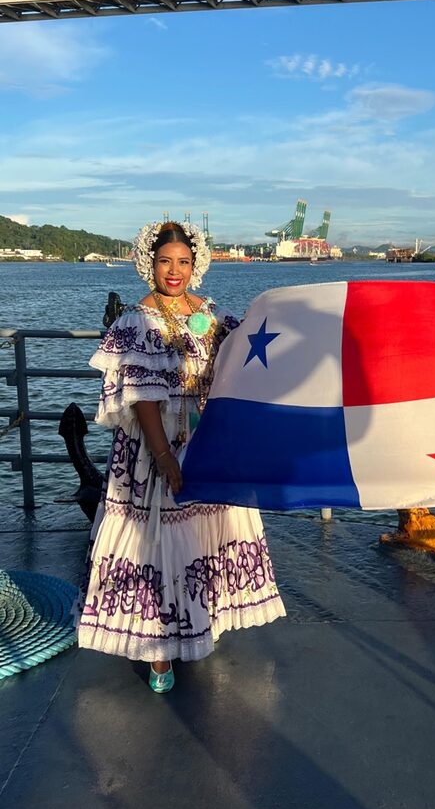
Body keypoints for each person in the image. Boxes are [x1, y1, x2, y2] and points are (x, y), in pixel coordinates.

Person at [75, 220, 286, 692]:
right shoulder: (136, 322)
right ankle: (158, 648)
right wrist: (163, 455)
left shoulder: (212, 314)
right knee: (157, 541)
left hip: (205, 442)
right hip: (155, 450)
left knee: (205, 534)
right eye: (165, 261)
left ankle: (200, 621)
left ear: (197, 265)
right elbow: (143, 399)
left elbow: (254, 350)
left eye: (184, 262)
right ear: (149, 264)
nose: (175, 271)